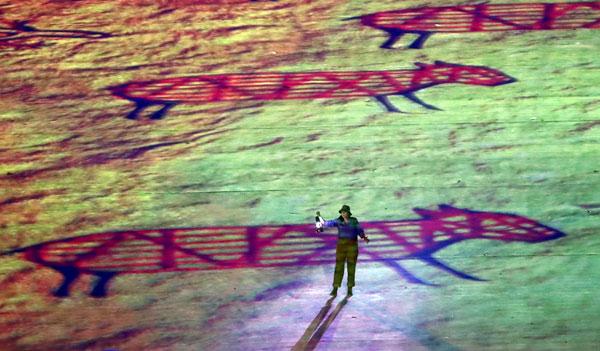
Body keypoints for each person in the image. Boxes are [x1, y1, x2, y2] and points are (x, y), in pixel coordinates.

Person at [316, 205, 369, 297]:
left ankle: (349, 289)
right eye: (342, 212)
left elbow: (359, 230)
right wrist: (320, 219)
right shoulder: (338, 221)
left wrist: (363, 237)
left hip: (352, 246)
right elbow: (327, 223)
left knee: (351, 268)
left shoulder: (354, 220)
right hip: (341, 246)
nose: (343, 214)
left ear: (348, 212)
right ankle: (335, 288)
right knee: (339, 267)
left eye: (345, 212)